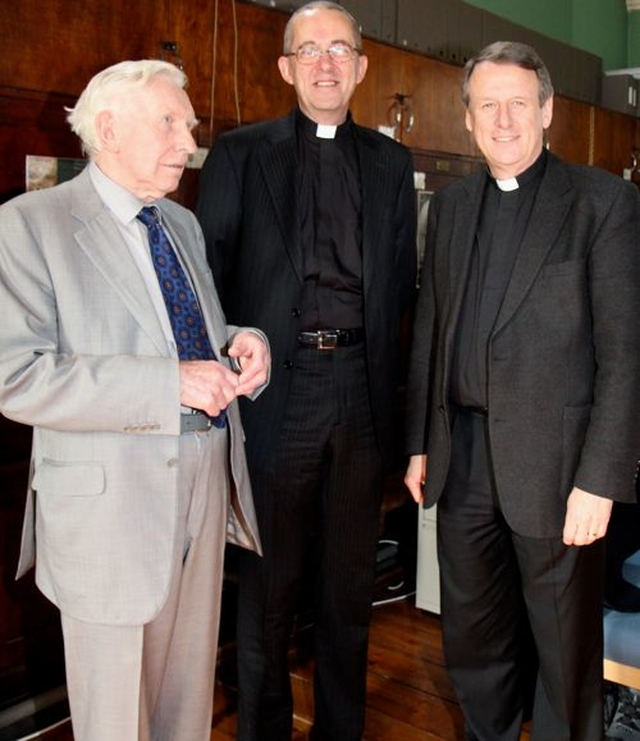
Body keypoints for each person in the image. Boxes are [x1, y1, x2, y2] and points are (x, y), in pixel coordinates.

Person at [0, 59, 271, 741]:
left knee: (186, 704)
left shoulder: (179, 225)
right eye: (171, 123)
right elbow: (18, 374)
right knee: (117, 720)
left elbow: (184, 331)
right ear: (110, 129)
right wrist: (169, 383)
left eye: (189, 125)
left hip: (204, 484)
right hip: (109, 510)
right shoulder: (29, 224)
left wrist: (242, 339)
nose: (189, 141)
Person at [404, 40, 640, 741]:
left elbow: (627, 355)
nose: (502, 119)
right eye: (487, 105)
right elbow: (431, 331)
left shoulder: (604, 202)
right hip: (463, 458)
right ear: (469, 118)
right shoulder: (448, 209)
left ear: (546, 111)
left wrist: (599, 480)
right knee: (474, 643)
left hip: (560, 467)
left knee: (564, 653)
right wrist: (420, 443)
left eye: (517, 104)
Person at [195, 2, 416, 738]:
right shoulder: (241, 154)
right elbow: (208, 278)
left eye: (341, 50)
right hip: (274, 397)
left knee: (349, 590)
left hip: (361, 394)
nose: (326, 63)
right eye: (309, 50)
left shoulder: (391, 164)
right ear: (286, 66)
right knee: (268, 591)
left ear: (360, 65)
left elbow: (403, 290)